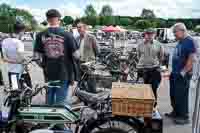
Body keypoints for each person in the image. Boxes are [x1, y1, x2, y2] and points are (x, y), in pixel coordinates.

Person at [34, 9, 79, 105]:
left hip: (48, 73)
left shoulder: (40, 35)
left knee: (49, 97)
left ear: (47, 20)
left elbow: (36, 57)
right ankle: (58, 118)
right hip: (64, 72)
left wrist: (43, 65)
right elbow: (76, 55)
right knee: (61, 101)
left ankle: (48, 117)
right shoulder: (68, 35)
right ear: (59, 20)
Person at [165, 23, 197, 125]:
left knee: (181, 96)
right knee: (174, 95)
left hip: (182, 74)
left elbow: (191, 59)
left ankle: (184, 116)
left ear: (182, 30)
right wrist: (172, 72)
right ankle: (176, 112)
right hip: (175, 73)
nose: (174, 34)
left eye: (175, 32)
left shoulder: (190, 41)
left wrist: (183, 73)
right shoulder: (180, 41)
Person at [137, 28, 164, 107]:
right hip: (143, 69)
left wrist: (160, 68)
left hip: (154, 69)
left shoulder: (159, 45)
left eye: (151, 34)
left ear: (154, 35)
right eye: (147, 34)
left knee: (154, 88)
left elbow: (161, 57)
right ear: (145, 35)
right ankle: (144, 104)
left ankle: (153, 105)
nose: (149, 36)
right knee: (143, 88)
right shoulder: (140, 45)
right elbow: (139, 56)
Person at [1, 21, 26, 89]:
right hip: (20, 71)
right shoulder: (19, 43)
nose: (23, 34)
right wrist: (22, 62)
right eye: (24, 32)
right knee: (24, 91)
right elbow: (22, 59)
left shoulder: (4, 41)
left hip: (11, 70)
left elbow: (4, 58)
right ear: (21, 31)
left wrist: (12, 61)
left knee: (14, 90)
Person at [75, 22, 99, 93]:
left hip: (89, 63)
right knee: (80, 81)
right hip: (79, 62)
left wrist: (93, 60)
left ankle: (93, 96)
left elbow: (97, 50)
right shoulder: (77, 38)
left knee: (91, 80)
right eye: (77, 27)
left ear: (85, 28)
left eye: (80, 27)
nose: (78, 29)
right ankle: (81, 97)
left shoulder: (91, 37)